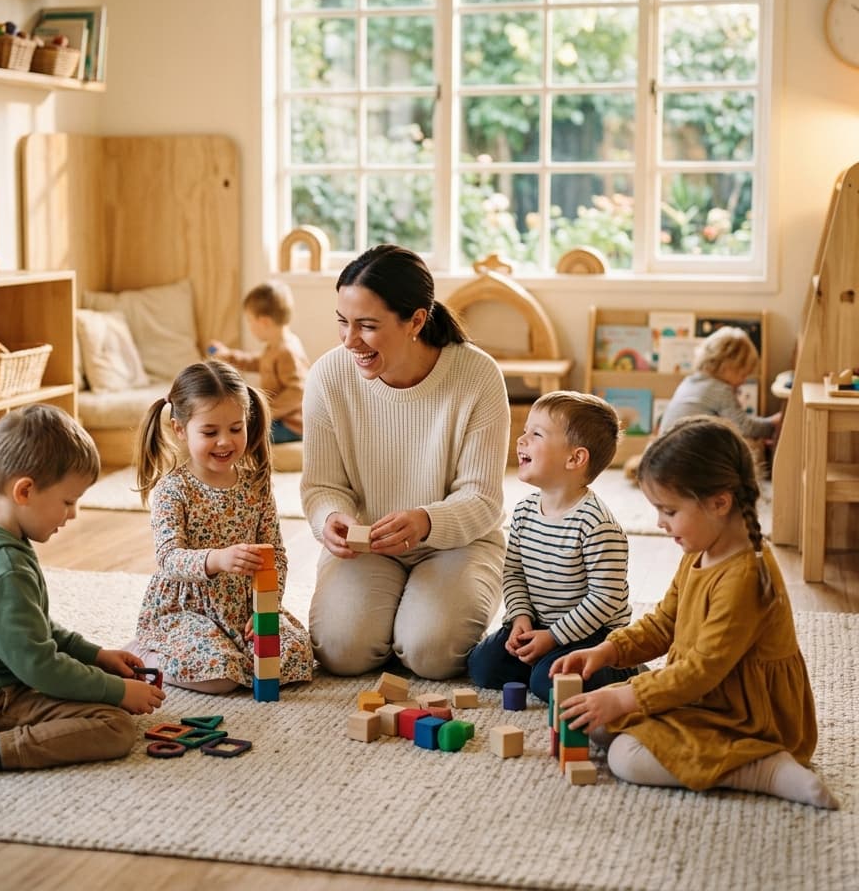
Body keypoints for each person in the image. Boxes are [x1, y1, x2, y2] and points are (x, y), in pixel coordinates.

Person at [552, 416, 838, 809]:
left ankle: (766, 768)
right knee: (595, 721)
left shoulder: (745, 575)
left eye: (669, 510)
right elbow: (664, 622)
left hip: (747, 713)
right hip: (701, 691)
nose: (659, 522)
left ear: (719, 502)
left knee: (625, 757)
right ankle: (691, 742)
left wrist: (626, 700)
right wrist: (609, 651)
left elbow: (701, 672)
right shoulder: (700, 550)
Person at [0, 405, 165, 788]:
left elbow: (34, 629)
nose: (73, 514)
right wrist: (117, 690)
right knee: (114, 726)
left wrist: (94, 655)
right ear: (25, 491)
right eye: (67, 501)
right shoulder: (1, 568)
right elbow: (40, 666)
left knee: (94, 692)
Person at [302, 244, 510, 680]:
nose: (349, 340)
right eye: (343, 322)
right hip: (368, 546)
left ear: (416, 320)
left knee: (431, 654)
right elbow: (321, 485)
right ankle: (394, 618)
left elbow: (482, 498)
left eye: (367, 326)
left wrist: (425, 522)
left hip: (457, 542)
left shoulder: (477, 376)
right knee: (341, 652)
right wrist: (330, 518)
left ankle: (411, 623)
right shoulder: (327, 376)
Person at [132, 359, 313, 693]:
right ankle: (145, 655)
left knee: (297, 655)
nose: (225, 442)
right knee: (220, 677)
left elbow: (277, 555)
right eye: (210, 432)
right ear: (179, 430)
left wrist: (266, 611)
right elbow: (169, 559)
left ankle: (238, 654)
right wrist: (216, 559)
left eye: (235, 428)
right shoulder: (173, 490)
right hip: (189, 611)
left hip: (244, 608)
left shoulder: (255, 485)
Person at [467, 391, 637, 702]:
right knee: (482, 667)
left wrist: (554, 637)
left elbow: (606, 600)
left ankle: (623, 669)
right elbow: (515, 574)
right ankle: (539, 663)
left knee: (549, 685)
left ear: (575, 458)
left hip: (593, 632)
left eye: (536, 434)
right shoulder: (524, 512)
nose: (522, 440)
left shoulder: (597, 526)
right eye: (525, 431)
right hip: (541, 622)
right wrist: (520, 619)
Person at [209, 280, 310, 444]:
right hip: (279, 417)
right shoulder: (275, 346)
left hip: (290, 423)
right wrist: (229, 356)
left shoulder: (287, 352)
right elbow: (259, 362)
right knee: (239, 425)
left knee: (245, 434)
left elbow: (298, 391)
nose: (249, 325)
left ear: (264, 322)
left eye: (249, 320)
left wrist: (267, 411)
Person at [660, 325, 781, 440]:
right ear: (727, 367)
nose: (743, 381)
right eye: (743, 374)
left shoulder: (690, 382)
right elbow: (744, 427)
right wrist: (772, 423)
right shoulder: (720, 390)